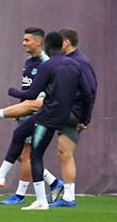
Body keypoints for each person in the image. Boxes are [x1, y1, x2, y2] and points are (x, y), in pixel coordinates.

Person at [0, 28, 62, 204]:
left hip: (38, 115)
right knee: (22, 156)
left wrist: (24, 107)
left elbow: (40, 97)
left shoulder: (47, 63)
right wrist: (19, 111)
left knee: (27, 155)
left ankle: (20, 195)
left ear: (38, 42)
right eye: (23, 40)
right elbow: (28, 90)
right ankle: (55, 183)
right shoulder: (29, 62)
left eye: (27, 40)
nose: (23, 43)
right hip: (25, 113)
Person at [7, 32, 93, 210]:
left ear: (47, 45)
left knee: (34, 154)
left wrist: (13, 92)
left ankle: (40, 200)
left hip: (51, 116)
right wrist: (85, 118)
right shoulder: (75, 63)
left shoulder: (52, 65)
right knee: (63, 154)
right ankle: (66, 196)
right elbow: (87, 92)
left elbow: (31, 94)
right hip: (69, 116)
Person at [49, 28, 97, 208]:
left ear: (66, 42)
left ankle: (68, 197)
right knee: (63, 153)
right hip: (66, 112)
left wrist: (85, 119)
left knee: (65, 154)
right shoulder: (70, 61)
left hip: (72, 113)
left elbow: (90, 90)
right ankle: (66, 195)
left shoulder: (79, 62)